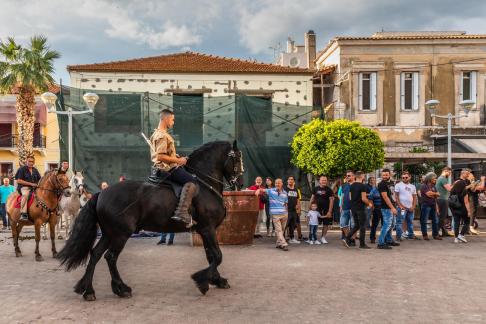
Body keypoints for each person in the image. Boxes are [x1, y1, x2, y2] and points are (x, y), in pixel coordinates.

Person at [150, 109, 197, 227]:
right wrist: (178, 160)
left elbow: (164, 153)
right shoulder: (162, 135)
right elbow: (160, 156)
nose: (173, 122)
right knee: (192, 181)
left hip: (165, 167)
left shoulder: (156, 133)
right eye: (172, 119)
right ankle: (182, 212)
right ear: (166, 119)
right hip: (167, 169)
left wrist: (174, 156)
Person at [255, 178, 288, 251]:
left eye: (279, 183)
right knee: (279, 230)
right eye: (276, 183)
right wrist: (258, 190)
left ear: (282, 184)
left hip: (284, 214)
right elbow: (262, 190)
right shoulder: (271, 191)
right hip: (275, 214)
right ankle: (283, 243)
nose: (277, 184)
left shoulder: (285, 193)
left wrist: (286, 212)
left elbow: (286, 203)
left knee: (282, 229)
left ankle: (278, 243)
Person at [343, 171, 373, 249]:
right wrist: (369, 204)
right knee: (362, 226)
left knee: (357, 225)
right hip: (360, 208)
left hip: (353, 208)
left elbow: (350, 198)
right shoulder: (363, 186)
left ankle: (347, 238)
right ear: (362, 176)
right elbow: (363, 199)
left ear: (356, 176)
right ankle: (362, 244)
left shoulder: (352, 186)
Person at [377, 168, 400, 249]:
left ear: (389, 175)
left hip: (392, 206)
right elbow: (385, 197)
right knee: (386, 225)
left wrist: (396, 205)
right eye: (383, 175)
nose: (384, 176)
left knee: (392, 224)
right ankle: (380, 242)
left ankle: (389, 240)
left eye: (386, 175)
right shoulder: (381, 184)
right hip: (386, 207)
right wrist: (392, 208)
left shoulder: (391, 183)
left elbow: (393, 195)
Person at [15, 156, 42, 221]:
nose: (31, 163)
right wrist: (31, 184)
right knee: (25, 195)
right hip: (24, 188)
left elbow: (40, 179)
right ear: (26, 161)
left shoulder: (35, 170)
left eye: (32, 161)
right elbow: (19, 180)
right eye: (29, 161)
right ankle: (23, 213)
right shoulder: (21, 169)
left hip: (34, 188)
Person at [394, 171, 419, 240]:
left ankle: (411, 235)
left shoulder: (412, 186)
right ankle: (398, 236)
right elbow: (396, 196)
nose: (404, 178)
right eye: (403, 177)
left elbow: (414, 197)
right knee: (399, 222)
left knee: (410, 222)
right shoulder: (398, 185)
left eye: (406, 177)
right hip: (402, 208)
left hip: (410, 207)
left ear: (409, 177)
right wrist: (400, 206)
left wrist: (413, 206)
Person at [449, 169, 472, 243]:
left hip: (454, 207)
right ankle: (461, 235)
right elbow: (466, 202)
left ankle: (456, 238)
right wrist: (468, 211)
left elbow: (450, 196)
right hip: (462, 208)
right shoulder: (464, 190)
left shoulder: (454, 188)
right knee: (467, 222)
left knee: (456, 223)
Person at [310, 175, 333, 244]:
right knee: (314, 224)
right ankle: (313, 237)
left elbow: (331, 201)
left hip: (326, 209)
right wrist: (309, 207)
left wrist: (329, 211)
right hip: (316, 210)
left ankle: (323, 237)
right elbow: (312, 198)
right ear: (319, 181)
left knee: (326, 224)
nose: (324, 181)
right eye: (322, 180)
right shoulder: (315, 189)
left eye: (325, 180)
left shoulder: (329, 190)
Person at [420, 172, 440, 240]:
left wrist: (437, 207)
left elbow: (437, 195)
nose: (435, 179)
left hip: (433, 205)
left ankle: (435, 235)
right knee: (424, 221)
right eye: (434, 178)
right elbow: (428, 194)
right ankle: (425, 235)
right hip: (426, 205)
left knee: (435, 220)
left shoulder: (434, 186)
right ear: (430, 178)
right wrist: (435, 194)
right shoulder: (424, 186)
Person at [436, 167, 453, 237]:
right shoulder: (443, 179)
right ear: (445, 171)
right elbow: (449, 189)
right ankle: (436, 232)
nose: (450, 174)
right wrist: (456, 185)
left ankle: (444, 232)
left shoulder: (440, 178)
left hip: (441, 199)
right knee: (442, 217)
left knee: (442, 216)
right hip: (442, 200)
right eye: (449, 172)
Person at [339, 171, 355, 243]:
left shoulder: (356, 185)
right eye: (347, 176)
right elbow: (342, 196)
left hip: (354, 208)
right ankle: (349, 238)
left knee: (353, 225)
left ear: (353, 176)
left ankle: (352, 240)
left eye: (349, 176)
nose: (347, 177)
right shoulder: (344, 185)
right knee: (343, 224)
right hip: (345, 208)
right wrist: (341, 206)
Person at [285, 176, 301, 244]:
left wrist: (298, 207)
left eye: (292, 179)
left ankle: (292, 238)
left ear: (294, 181)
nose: (290, 180)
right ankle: (281, 239)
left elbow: (298, 199)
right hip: (286, 210)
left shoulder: (296, 189)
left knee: (293, 225)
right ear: (287, 181)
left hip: (294, 211)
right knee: (285, 225)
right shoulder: (284, 189)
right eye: (289, 179)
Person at [368, 177, 382, 244]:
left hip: (384, 208)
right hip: (376, 208)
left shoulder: (384, 189)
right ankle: (372, 238)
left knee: (384, 224)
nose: (379, 184)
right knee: (374, 224)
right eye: (378, 183)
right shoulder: (374, 190)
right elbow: (370, 198)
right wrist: (372, 207)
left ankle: (383, 238)